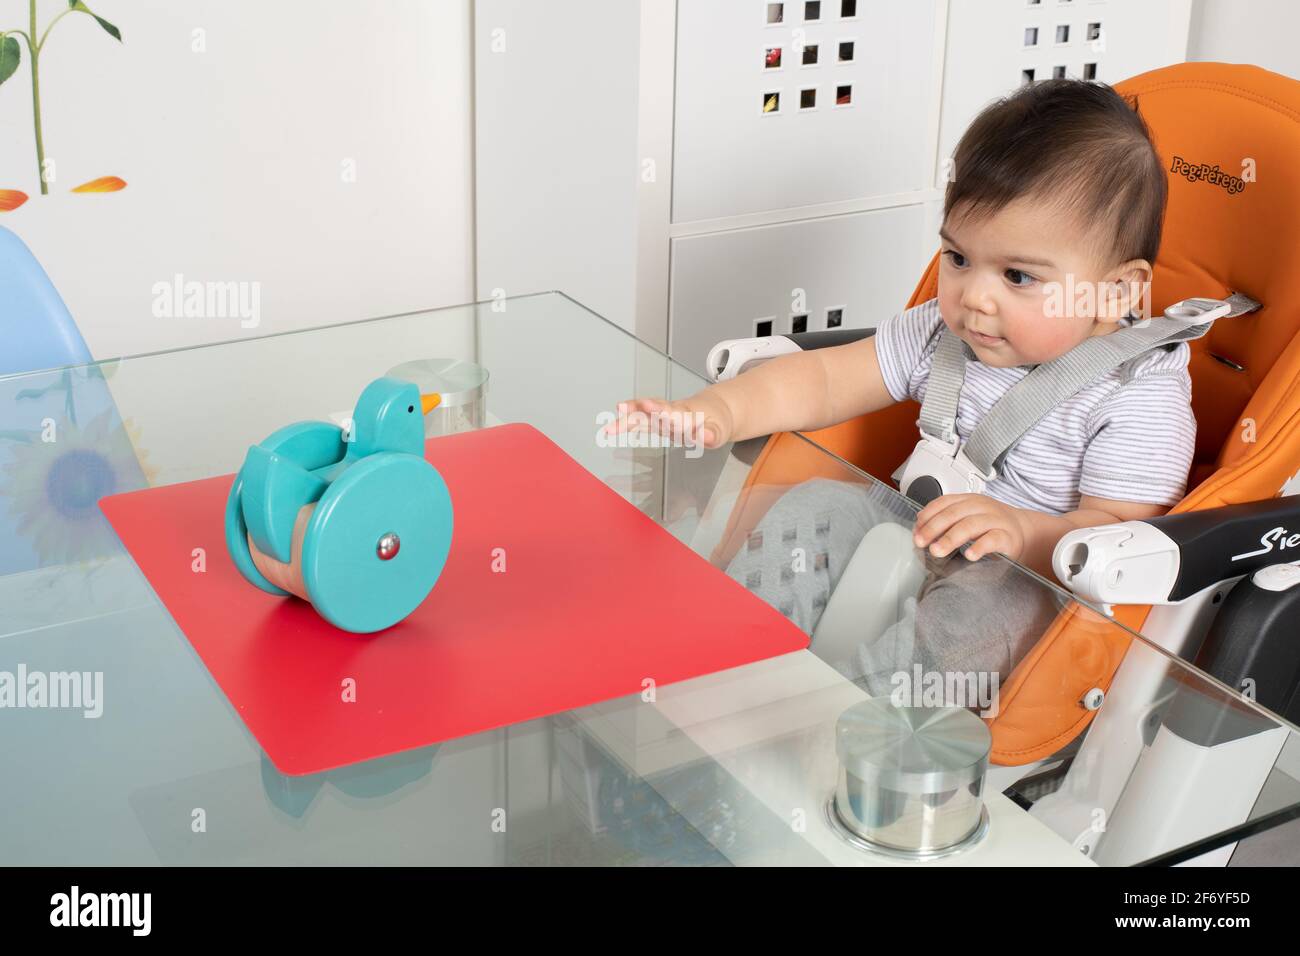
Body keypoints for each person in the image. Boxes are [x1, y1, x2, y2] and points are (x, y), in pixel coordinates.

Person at [604, 79, 1193, 698]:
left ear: (1117, 292)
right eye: (959, 258)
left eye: (1018, 275)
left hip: (1028, 572)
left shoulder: (1137, 395)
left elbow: (1117, 537)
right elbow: (826, 377)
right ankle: (727, 661)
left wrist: (1020, 532)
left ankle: (847, 723)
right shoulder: (946, 332)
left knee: (969, 628)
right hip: (914, 518)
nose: (974, 296)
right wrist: (719, 410)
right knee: (814, 507)